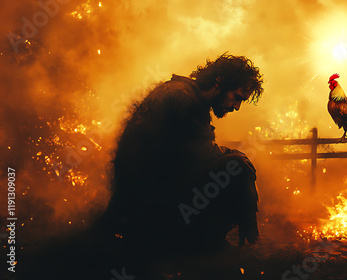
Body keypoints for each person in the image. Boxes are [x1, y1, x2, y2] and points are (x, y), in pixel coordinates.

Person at [103, 53, 264, 257]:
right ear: (220, 82)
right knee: (238, 165)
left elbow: (195, 152)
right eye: (237, 97)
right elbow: (203, 153)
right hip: (149, 202)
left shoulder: (181, 93)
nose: (236, 107)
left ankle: (202, 242)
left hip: (144, 196)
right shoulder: (183, 98)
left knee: (235, 162)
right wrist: (236, 156)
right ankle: (246, 245)